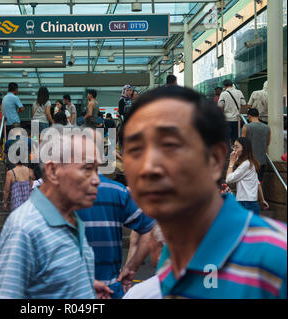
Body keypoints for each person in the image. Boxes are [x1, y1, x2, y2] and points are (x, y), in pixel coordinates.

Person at [121, 85, 286, 298]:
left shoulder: (278, 260)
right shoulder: (166, 262)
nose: (148, 167)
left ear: (216, 159)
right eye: (135, 150)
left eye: (169, 146)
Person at [0, 125, 112, 299]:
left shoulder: (72, 217)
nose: (96, 180)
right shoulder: (25, 229)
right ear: (52, 171)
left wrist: (83, 285)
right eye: (87, 169)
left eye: (97, 169)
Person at [77, 173, 155, 299]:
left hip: (69, 290)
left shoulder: (56, 193)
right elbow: (149, 229)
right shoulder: (118, 190)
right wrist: (131, 267)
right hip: (110, 289)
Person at [226, 137, 269, 215]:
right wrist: (262, 199)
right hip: (250, 203)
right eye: (233, 146)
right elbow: (257, 182)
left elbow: (228, 179)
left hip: (245, 204)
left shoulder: (246, 164)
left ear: (244, 149)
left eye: (237, 147)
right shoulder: (250, 163)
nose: (234, 149)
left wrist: (231, 163)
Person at [123, 224, 164, 299]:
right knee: (134, 240)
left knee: (134, 241)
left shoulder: (138, 293)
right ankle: (128, 268)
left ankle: (128, 268)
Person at [242, 108, 271, 182]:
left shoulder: (246, 127)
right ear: (258, 116)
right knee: (259, 181)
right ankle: (259, 194)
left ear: (249, 116)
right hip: (262, 159)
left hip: (249, 159)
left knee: (249, 181)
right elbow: (268, 143)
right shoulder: (267, 128)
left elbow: (242, 143)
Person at [217, 79, 246, 151]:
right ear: (232, 84)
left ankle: (228, 156)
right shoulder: (239, 92)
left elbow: (220, 105)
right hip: (237, 119)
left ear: (224, 86)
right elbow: (243, 103)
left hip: (227, 119)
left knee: (226, 138)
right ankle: (236, 154)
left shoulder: (223, 93)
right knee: (236, 138)